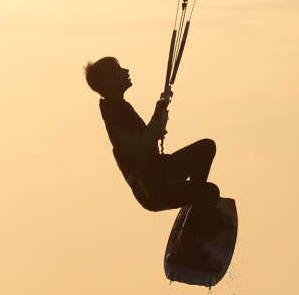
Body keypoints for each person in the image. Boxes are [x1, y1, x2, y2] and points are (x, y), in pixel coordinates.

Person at [85, 56, 220, 212]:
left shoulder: (119, 108)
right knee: (210, 192)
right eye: (119, 70)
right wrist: (157, 117)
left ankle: (196, 205)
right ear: (110, 80)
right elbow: (139, 149)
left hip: (160, 172)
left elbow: (144, 140)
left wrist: (159, 117)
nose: (126, 71)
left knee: (206, 148)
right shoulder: (115, 114)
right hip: (153, 189)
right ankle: (197, 211)